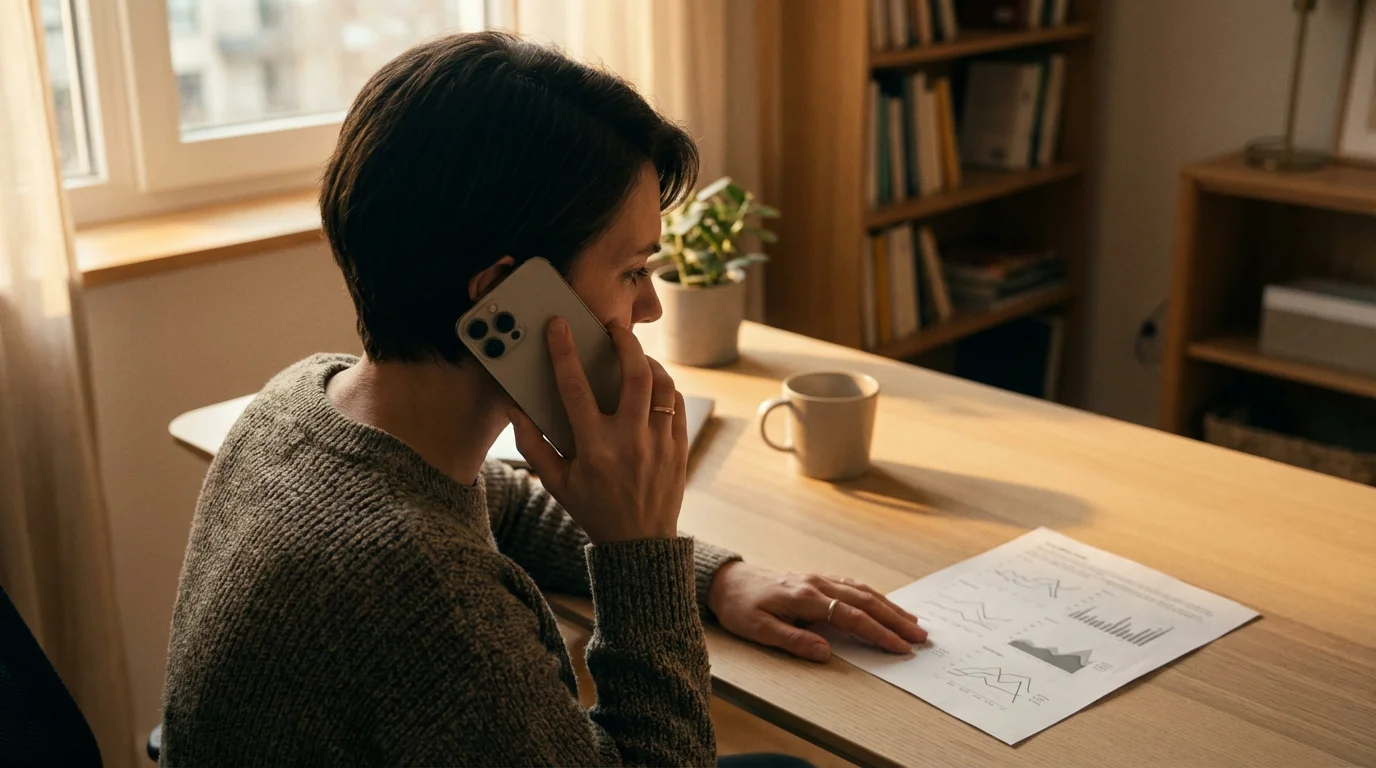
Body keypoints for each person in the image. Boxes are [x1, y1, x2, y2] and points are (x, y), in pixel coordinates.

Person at [160, 30, 926, 767]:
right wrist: (641, 555)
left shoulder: (302, 400)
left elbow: (505, 507)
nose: (649, 310)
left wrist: (717, 579)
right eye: (631, 272)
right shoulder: (421, 595)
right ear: (504, 300)